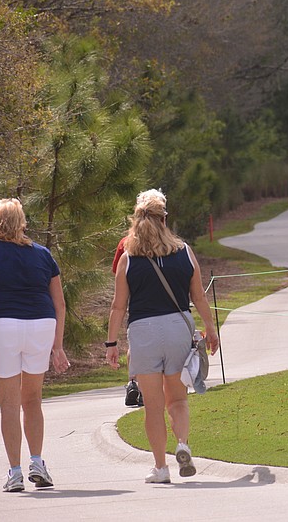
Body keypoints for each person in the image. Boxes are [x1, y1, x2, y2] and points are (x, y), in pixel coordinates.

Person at [105, 189, 218, 484]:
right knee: (178, 400)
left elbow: (118, 306)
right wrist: (210, 328)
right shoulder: (185, 252)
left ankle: (161, 468)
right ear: (164, 218)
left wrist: (112, 343)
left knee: (153, 407)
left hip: (144, 331)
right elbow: (198, 296)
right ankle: (182, 444)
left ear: (136, 219)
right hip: (178, 327)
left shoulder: (128, 259)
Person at [0, 198, 69, 493]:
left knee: (9, 404)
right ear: (21, 222)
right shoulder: (43, 254)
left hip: (5, 325)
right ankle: (37, 463)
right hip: (41, 325)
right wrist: (58, 346)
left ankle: (15, 473)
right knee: (33, 399)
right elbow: (60, 304)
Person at [111, 235, 143, 407]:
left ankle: (133, 382)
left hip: (134, 298)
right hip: (159, 301)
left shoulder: (125, 242)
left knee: (135, 344)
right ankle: (146, 390)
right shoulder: (166, 242)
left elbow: (118, 272)